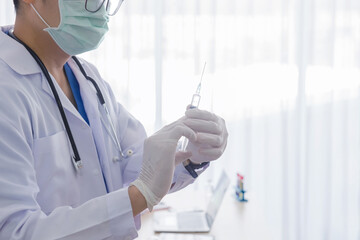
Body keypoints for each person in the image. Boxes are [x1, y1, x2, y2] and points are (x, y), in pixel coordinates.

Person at [0, 0, 228, 239]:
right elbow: (17, 231)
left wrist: (191, 153)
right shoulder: (7, 90)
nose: (98, 6)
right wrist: (140, 195)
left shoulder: (86, 77)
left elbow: (135, 165)